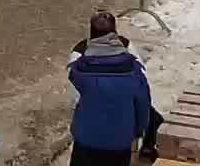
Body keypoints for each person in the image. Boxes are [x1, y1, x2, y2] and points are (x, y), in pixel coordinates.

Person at [67, 11, 157, 165]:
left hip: (86, 138)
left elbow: (76, 99)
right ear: (115, 29)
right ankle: (149, 148)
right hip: (119, 141)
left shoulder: (78, 63)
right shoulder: (132, 66)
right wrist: (137, 132)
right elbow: (143, 104)